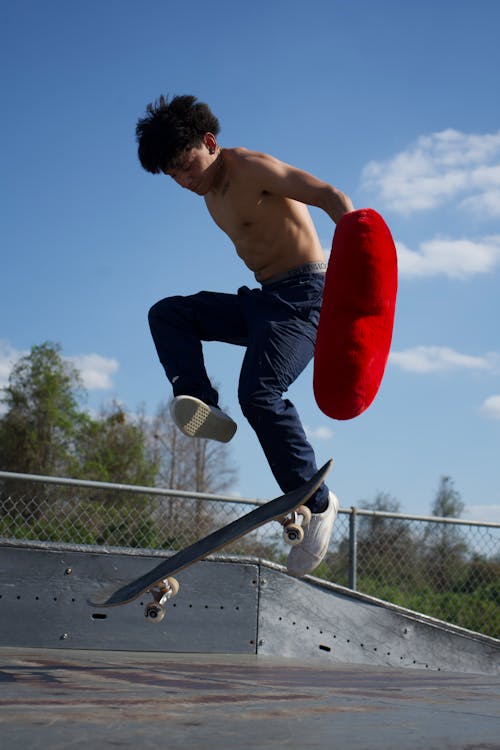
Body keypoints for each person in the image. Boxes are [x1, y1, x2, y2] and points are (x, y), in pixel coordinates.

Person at [136, 94, 354, 576]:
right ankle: (198, 398)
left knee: (259, 394)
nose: (183, 181)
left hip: (305, 299)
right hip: (264, 302)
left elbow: (329, 196)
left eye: (185, 166)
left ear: (209, 142)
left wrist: (360, 260)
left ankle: (317, 503)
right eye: (172, 175)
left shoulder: (252, 167)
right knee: (169, 314)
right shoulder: (210, 194)